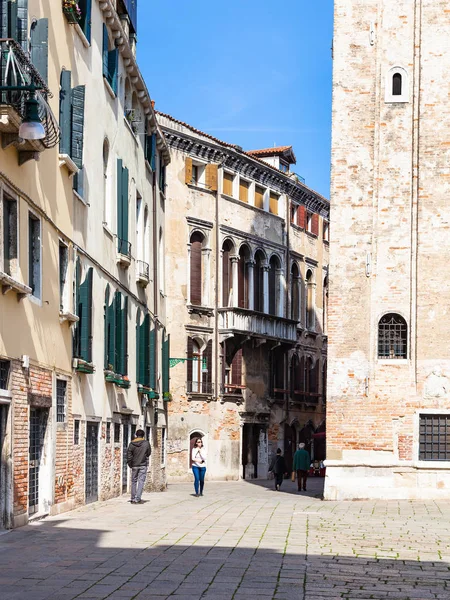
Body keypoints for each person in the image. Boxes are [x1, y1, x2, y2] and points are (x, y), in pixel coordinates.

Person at [127, 429, 151, 504]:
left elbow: (129, 455)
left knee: (133, 481)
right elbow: (149, 453)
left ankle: (133, 498)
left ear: (136, 435)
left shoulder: (131, 444)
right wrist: (144, 456)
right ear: (143, 435)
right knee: (141, 481)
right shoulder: (146, 443)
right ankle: (138, 498)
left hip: (134, 465)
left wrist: (130, 464)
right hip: (143, 464)